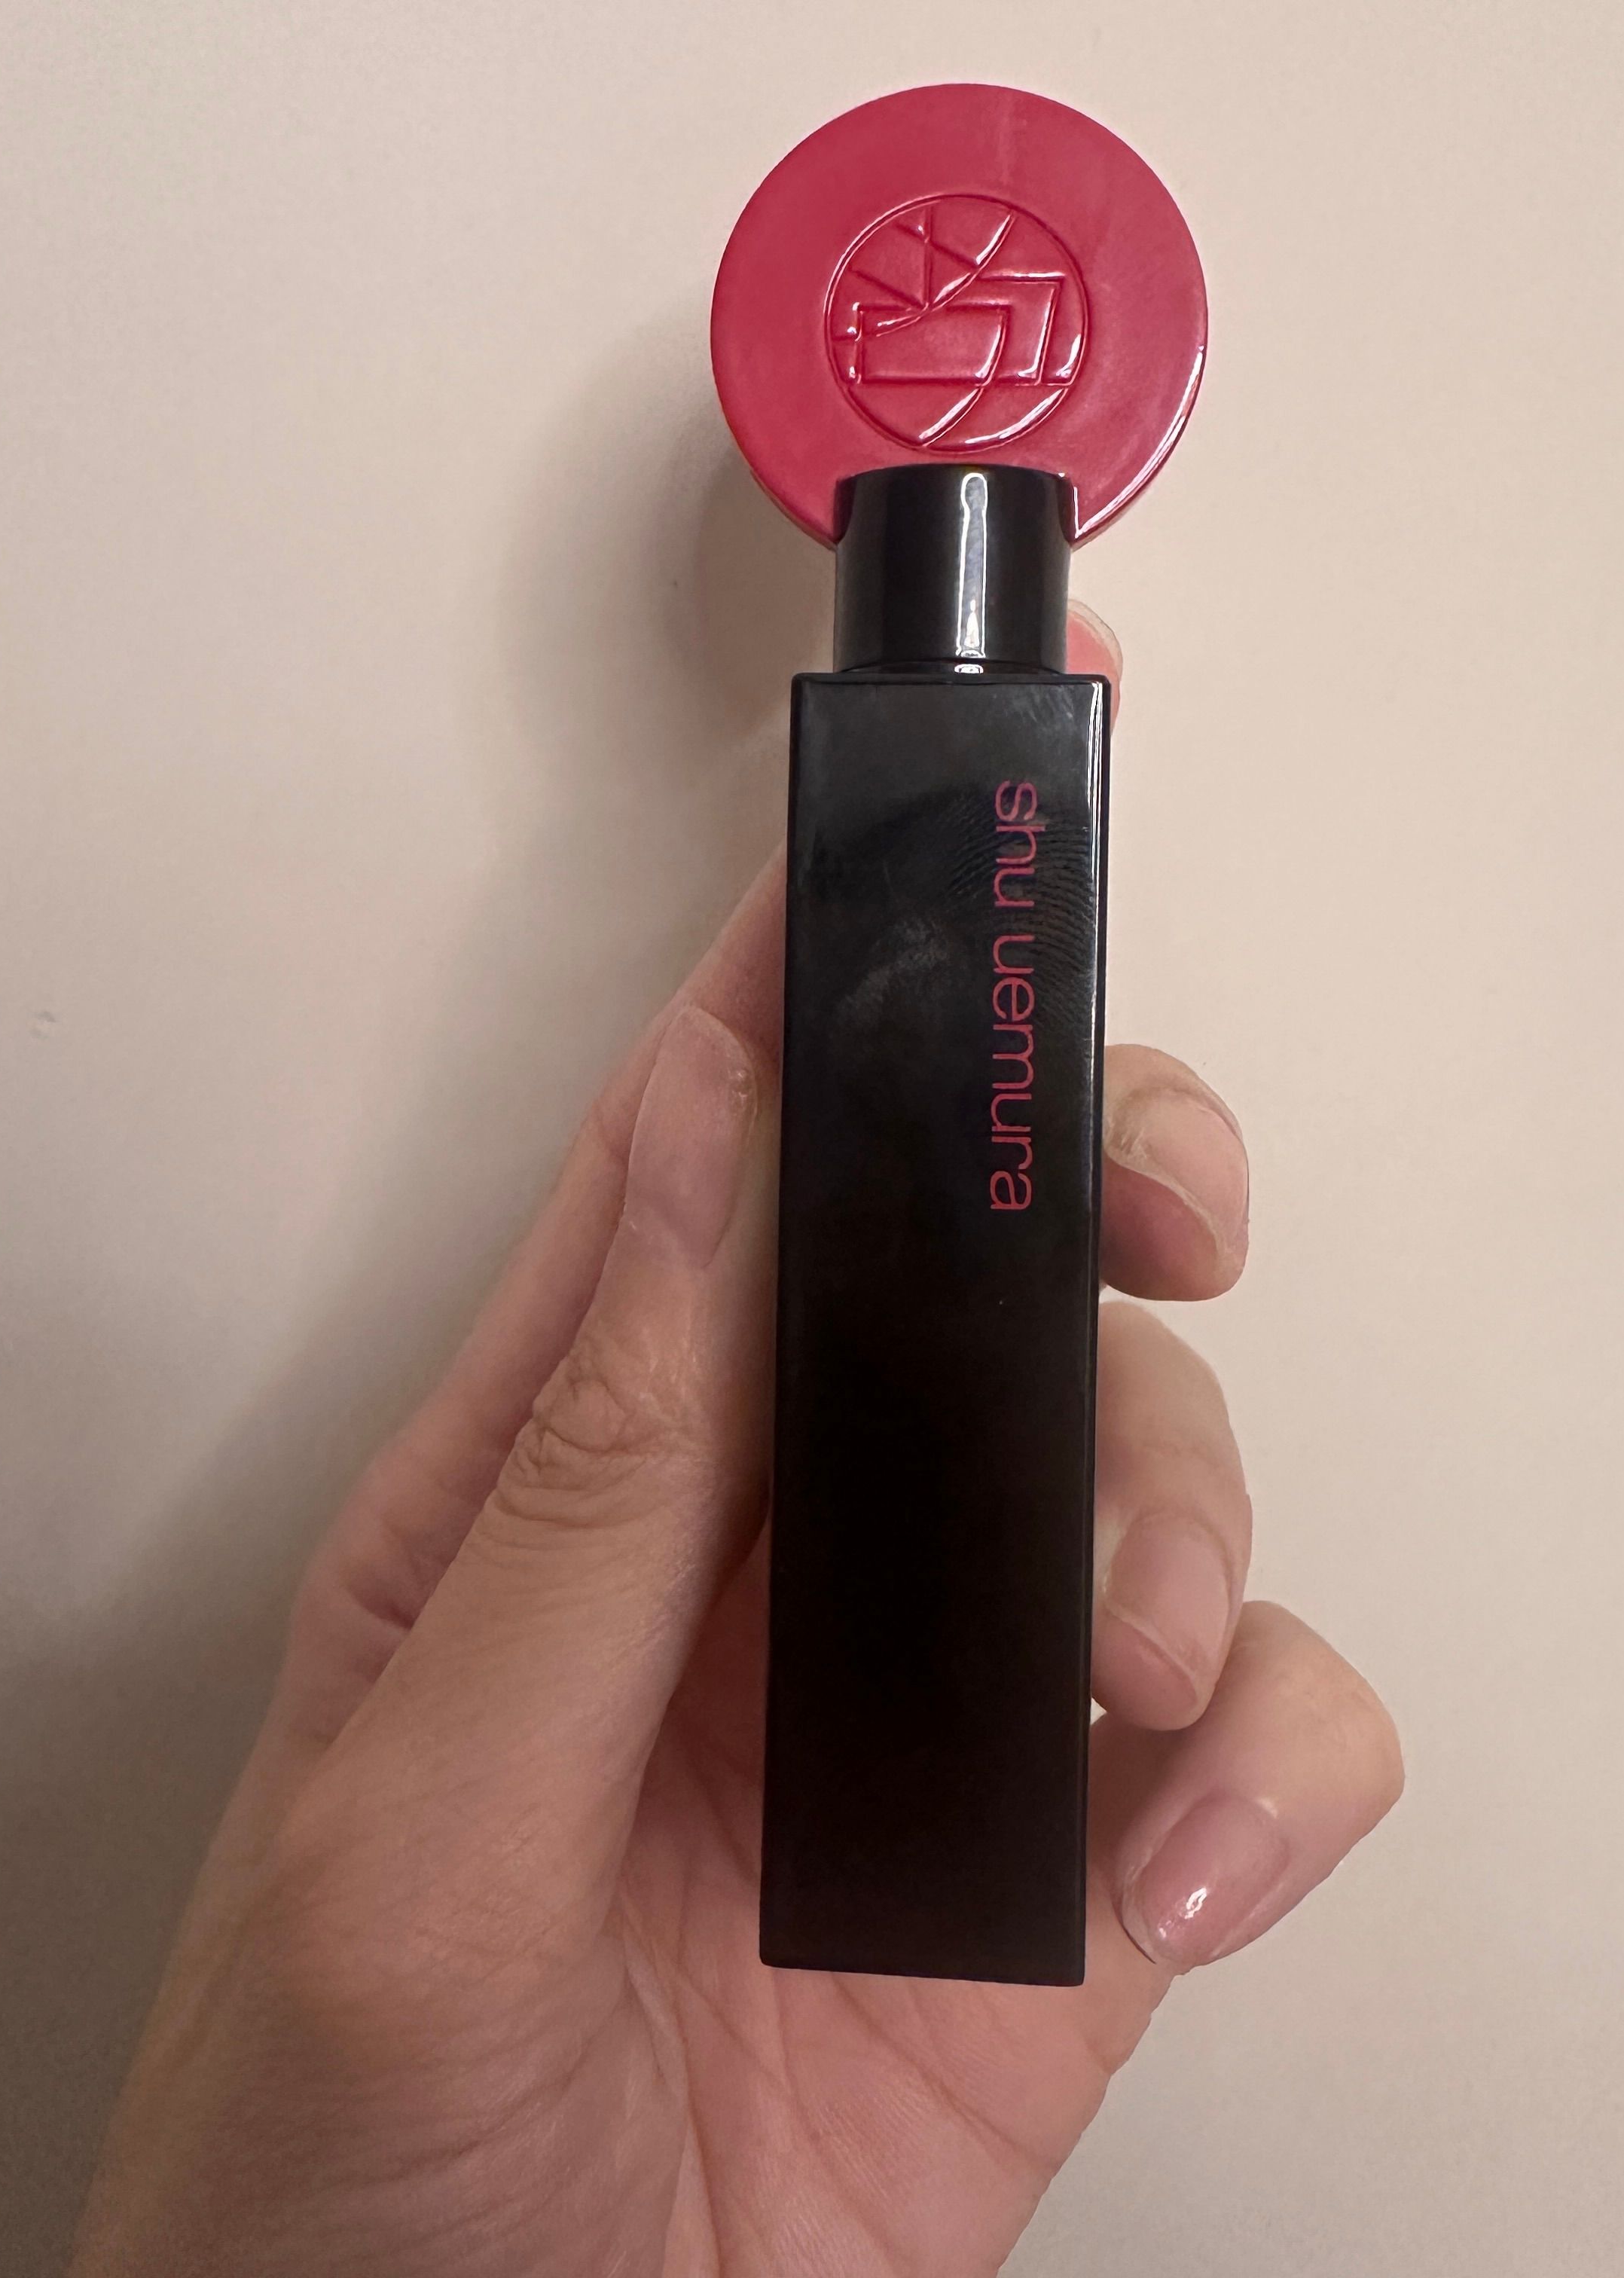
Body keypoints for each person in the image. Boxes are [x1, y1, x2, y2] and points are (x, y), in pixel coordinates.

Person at [68, 612, 1403, 2276]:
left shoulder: (999, 774)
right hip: (677, 1966)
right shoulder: (920, 784)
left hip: (772, 2014)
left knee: (1064, 1295)